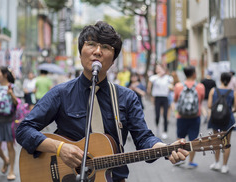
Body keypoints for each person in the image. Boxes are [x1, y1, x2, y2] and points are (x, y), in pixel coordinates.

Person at [16, 21, 189, 182]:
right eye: (91, 44)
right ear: (80, 51)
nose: (98, 51)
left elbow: (144, 138)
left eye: (106, 47)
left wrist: (165, 149)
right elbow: (24, 130)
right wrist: (59, 148)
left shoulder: (127, 97)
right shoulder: (61, 93)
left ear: (113, 59)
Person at [174, 66, 205, 168]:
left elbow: (176, 99)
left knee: (180, 139)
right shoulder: (200, 86)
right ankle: (190, 162)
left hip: (181, 117)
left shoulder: (178, 86)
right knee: (193, 140)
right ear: (194, 74)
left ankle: (179, 159)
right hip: (195, 117)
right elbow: (200, 100)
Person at [207, 72, 235, 173]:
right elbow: (235, 108)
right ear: (230, 80)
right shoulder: (233, 92)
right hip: (228, 119)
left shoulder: (213, 90)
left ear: (220, 79)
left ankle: (217, 163)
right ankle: (225, 166)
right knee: (226, 142)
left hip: (216, 118)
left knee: (216, 141)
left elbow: (209, 105)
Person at [147, 64, 173, 139]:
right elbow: (149, 86)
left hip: (165, 97)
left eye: (160, 68)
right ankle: (157, 127)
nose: (159, 70)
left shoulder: (168, 78)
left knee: (165, 115)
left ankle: (165, 131)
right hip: (157, 98)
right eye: (157, 68)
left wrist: (171, 88)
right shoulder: (154, 77)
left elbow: (171, 87)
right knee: (157, 115)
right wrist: (150, 94)